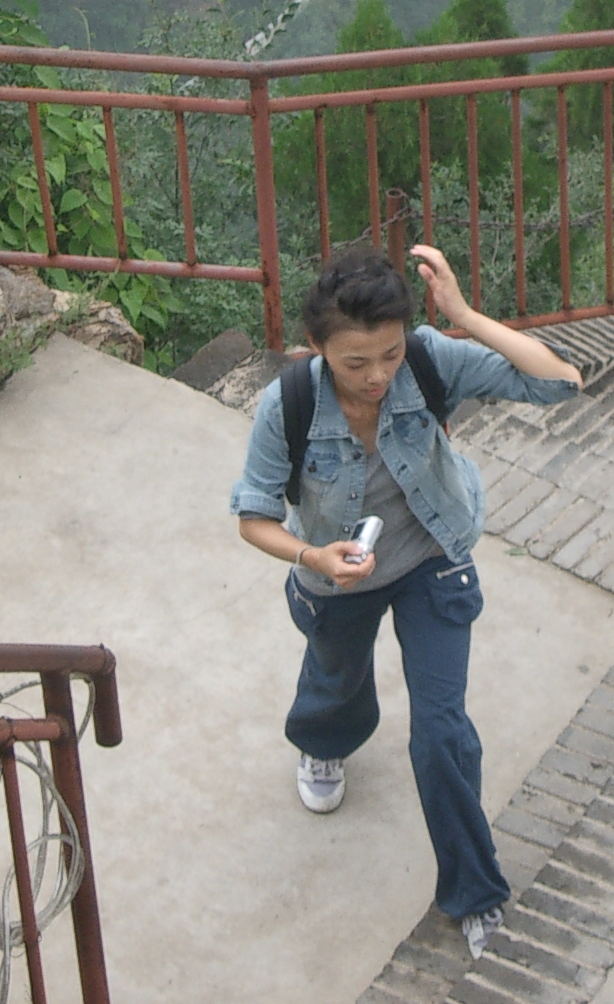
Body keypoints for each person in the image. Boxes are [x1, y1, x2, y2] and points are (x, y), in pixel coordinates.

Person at [230, 242, 583, 957]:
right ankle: (325, 744)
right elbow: (254, 516)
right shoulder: (289, 403)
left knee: (442, 734)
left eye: (388, 355)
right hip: (339, 573)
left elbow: (559, 383)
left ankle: (476, 894)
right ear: (318, 348)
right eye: (356, 362)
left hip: (429, 559)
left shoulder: (427, 359)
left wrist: (462, 314)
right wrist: (311, 555)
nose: (378, 377)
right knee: (337, 678)